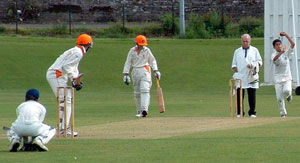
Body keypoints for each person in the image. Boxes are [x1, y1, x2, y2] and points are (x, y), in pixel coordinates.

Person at [46, 34, 93, 136]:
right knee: (65, 100)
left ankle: (63, 128)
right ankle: (64, 129)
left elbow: (73, 67)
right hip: (56, 74)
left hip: (58, 75)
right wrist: (74, 78)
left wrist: (76, 80)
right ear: (88, 44)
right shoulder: (78, 53)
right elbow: (66, 65)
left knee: (66, 100)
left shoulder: (76, 50)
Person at [123, 35, 161, 117]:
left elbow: (152, 60)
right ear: (137, 43)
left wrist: (156, 70)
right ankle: (139, 110)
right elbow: (128, 62)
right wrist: (126, 74)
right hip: (135, 71)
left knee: (145, 89)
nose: (142, 45)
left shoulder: (147, 50)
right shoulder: (132, 51)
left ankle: (144, 110)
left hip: (145, 70)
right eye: (140, 44)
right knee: (137, 92)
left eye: (143, 44)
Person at [231, 34, 262, 117]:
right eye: (244, 41)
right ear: (241, 41)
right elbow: (234, 64)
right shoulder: (237, 51)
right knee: (239, 95)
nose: (245, 43)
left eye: (247, 41)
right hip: (240, 75)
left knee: (252, 94)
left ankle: (252, 112)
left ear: (250, 41)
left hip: (251, 75)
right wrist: (235, 69)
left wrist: (252, 65)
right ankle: (239, 112)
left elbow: (260, 62)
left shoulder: (255, 50)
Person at [271, 32, 295, 117]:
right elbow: (274, 59)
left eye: (279, 44)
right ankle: (283, 113)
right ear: (274, 47)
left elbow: (293, 44)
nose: (279, 46)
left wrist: (286, 35)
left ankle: (289, 95)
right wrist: (281, 52)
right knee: (279, 98)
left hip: (287, 77)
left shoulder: (286, 52)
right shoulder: (274, 54)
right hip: (278, 79)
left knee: (287, 90)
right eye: (276, 45)